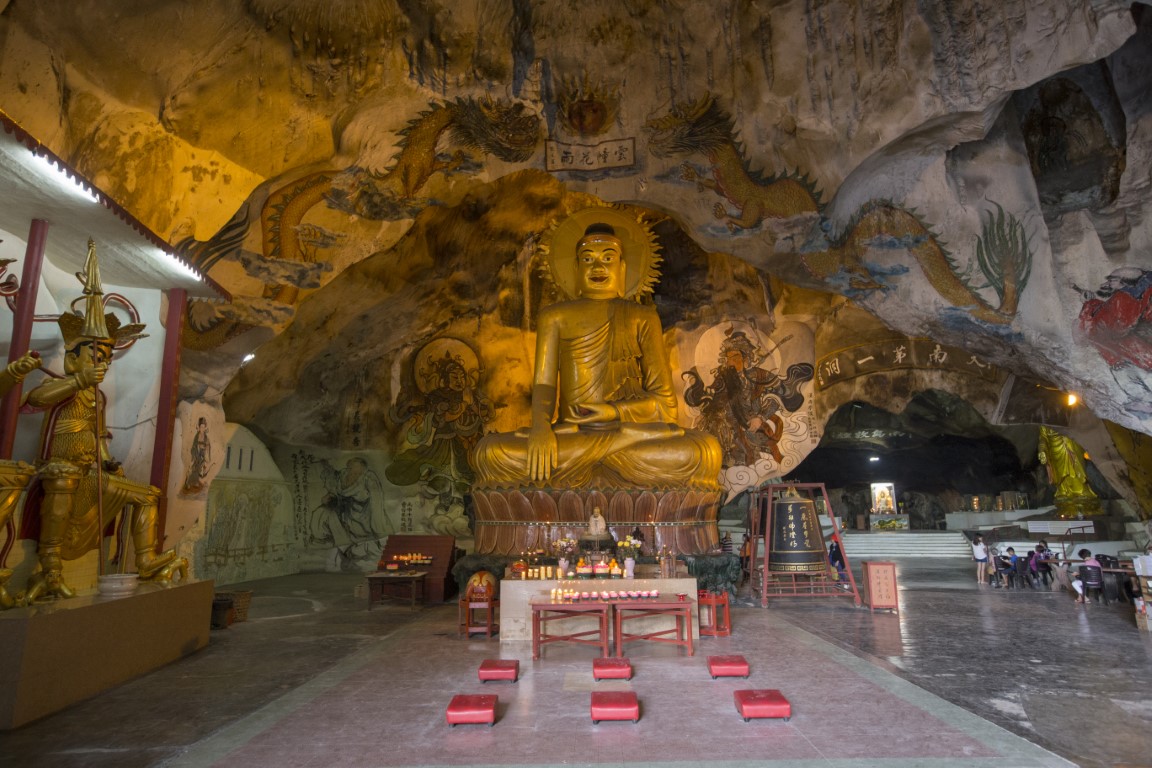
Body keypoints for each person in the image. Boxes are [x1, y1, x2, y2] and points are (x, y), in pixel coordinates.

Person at [472, 215, 722, 491]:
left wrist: (612, 412)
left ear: (622, 268)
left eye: (608, 258)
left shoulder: (642, 317)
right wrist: (541, 430)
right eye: (588, 259)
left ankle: (598, 461)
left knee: (704, 450)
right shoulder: (554, 317)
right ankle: (605, 462)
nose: (598, 266)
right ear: (576, 269)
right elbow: (544, 385)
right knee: (489, 452)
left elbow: (666, 407)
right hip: (572, 435)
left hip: (626, 433)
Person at [21, 245, 186, 601]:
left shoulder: (97, 399)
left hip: (90, 470)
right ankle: (50, 567)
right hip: (59, 467)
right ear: (72, 357)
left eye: (107, 358)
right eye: (95, 355)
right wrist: (79, 380)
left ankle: (146, 560)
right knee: (62, 479)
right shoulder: (61, 385)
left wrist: (107, 459)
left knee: (147, 495)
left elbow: (98, 437)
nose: (103, 364)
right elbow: (36, 400)